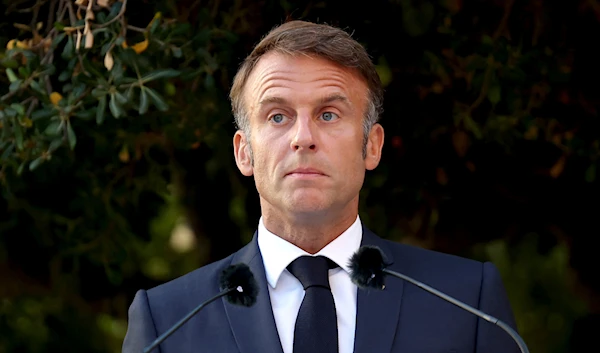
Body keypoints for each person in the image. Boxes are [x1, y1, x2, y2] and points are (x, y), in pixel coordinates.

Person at [122, 20, 521, 353]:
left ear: (372, 145)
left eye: (329, 114)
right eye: (277, 117)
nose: (303, 137)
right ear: (244, 152)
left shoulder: (467, 304)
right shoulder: (168, 321)